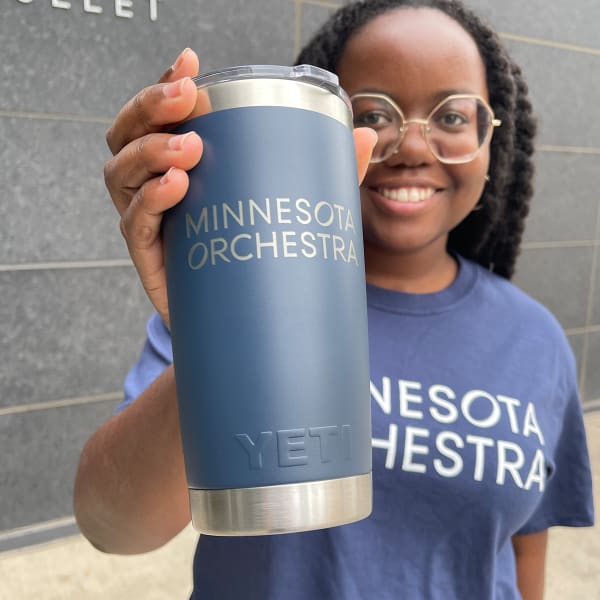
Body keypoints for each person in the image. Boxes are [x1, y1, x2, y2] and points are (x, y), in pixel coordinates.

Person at [74, 0, 594, 598]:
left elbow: (526, 548)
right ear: (311, 133)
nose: (413, 146)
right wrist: (212, 327)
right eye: (374, 113)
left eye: (452, 116)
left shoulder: (536, 340)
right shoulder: (218, 300)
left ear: (492, 142)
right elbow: (111, 527)